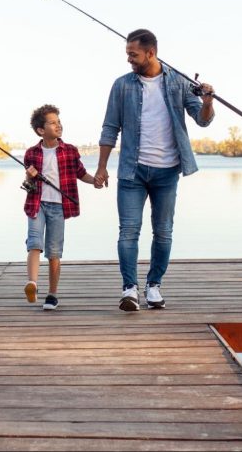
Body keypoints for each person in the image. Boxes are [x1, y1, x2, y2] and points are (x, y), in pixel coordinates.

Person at [94, 29, 214, 311]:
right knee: (128, 232)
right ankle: (129, 289)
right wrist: (101, 167)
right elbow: (110, 127)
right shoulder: (122, 85)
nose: (128, 60)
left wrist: (207, 101)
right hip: (131, 172)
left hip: (167, 171)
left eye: (132, 55)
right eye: (127, 54)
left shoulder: (179, 83)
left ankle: (154, 286)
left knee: (163, 232)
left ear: (151, 53)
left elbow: (203, 120)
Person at [22, 103, 101, 310]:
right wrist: (29, 177)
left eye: (59, 122)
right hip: (36, 204)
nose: (58, 126)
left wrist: (94, 181)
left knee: (54, 252)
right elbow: (28, 185)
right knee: (34, 242)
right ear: (41, 130)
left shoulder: (70, 151)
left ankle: (52, 294)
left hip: (59, 206)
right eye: (53, 123)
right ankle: (32, 284)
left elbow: (80, 173)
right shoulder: (31, 153)